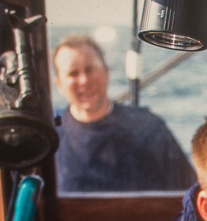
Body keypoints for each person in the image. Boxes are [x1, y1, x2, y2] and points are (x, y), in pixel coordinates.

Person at [52, 34, 196, 193]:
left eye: (90, 69)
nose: (84, 80)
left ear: (107, 72)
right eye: (73, 73)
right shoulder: (50, 137)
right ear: (59, 84)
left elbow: (188, 195)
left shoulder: (149, 128)